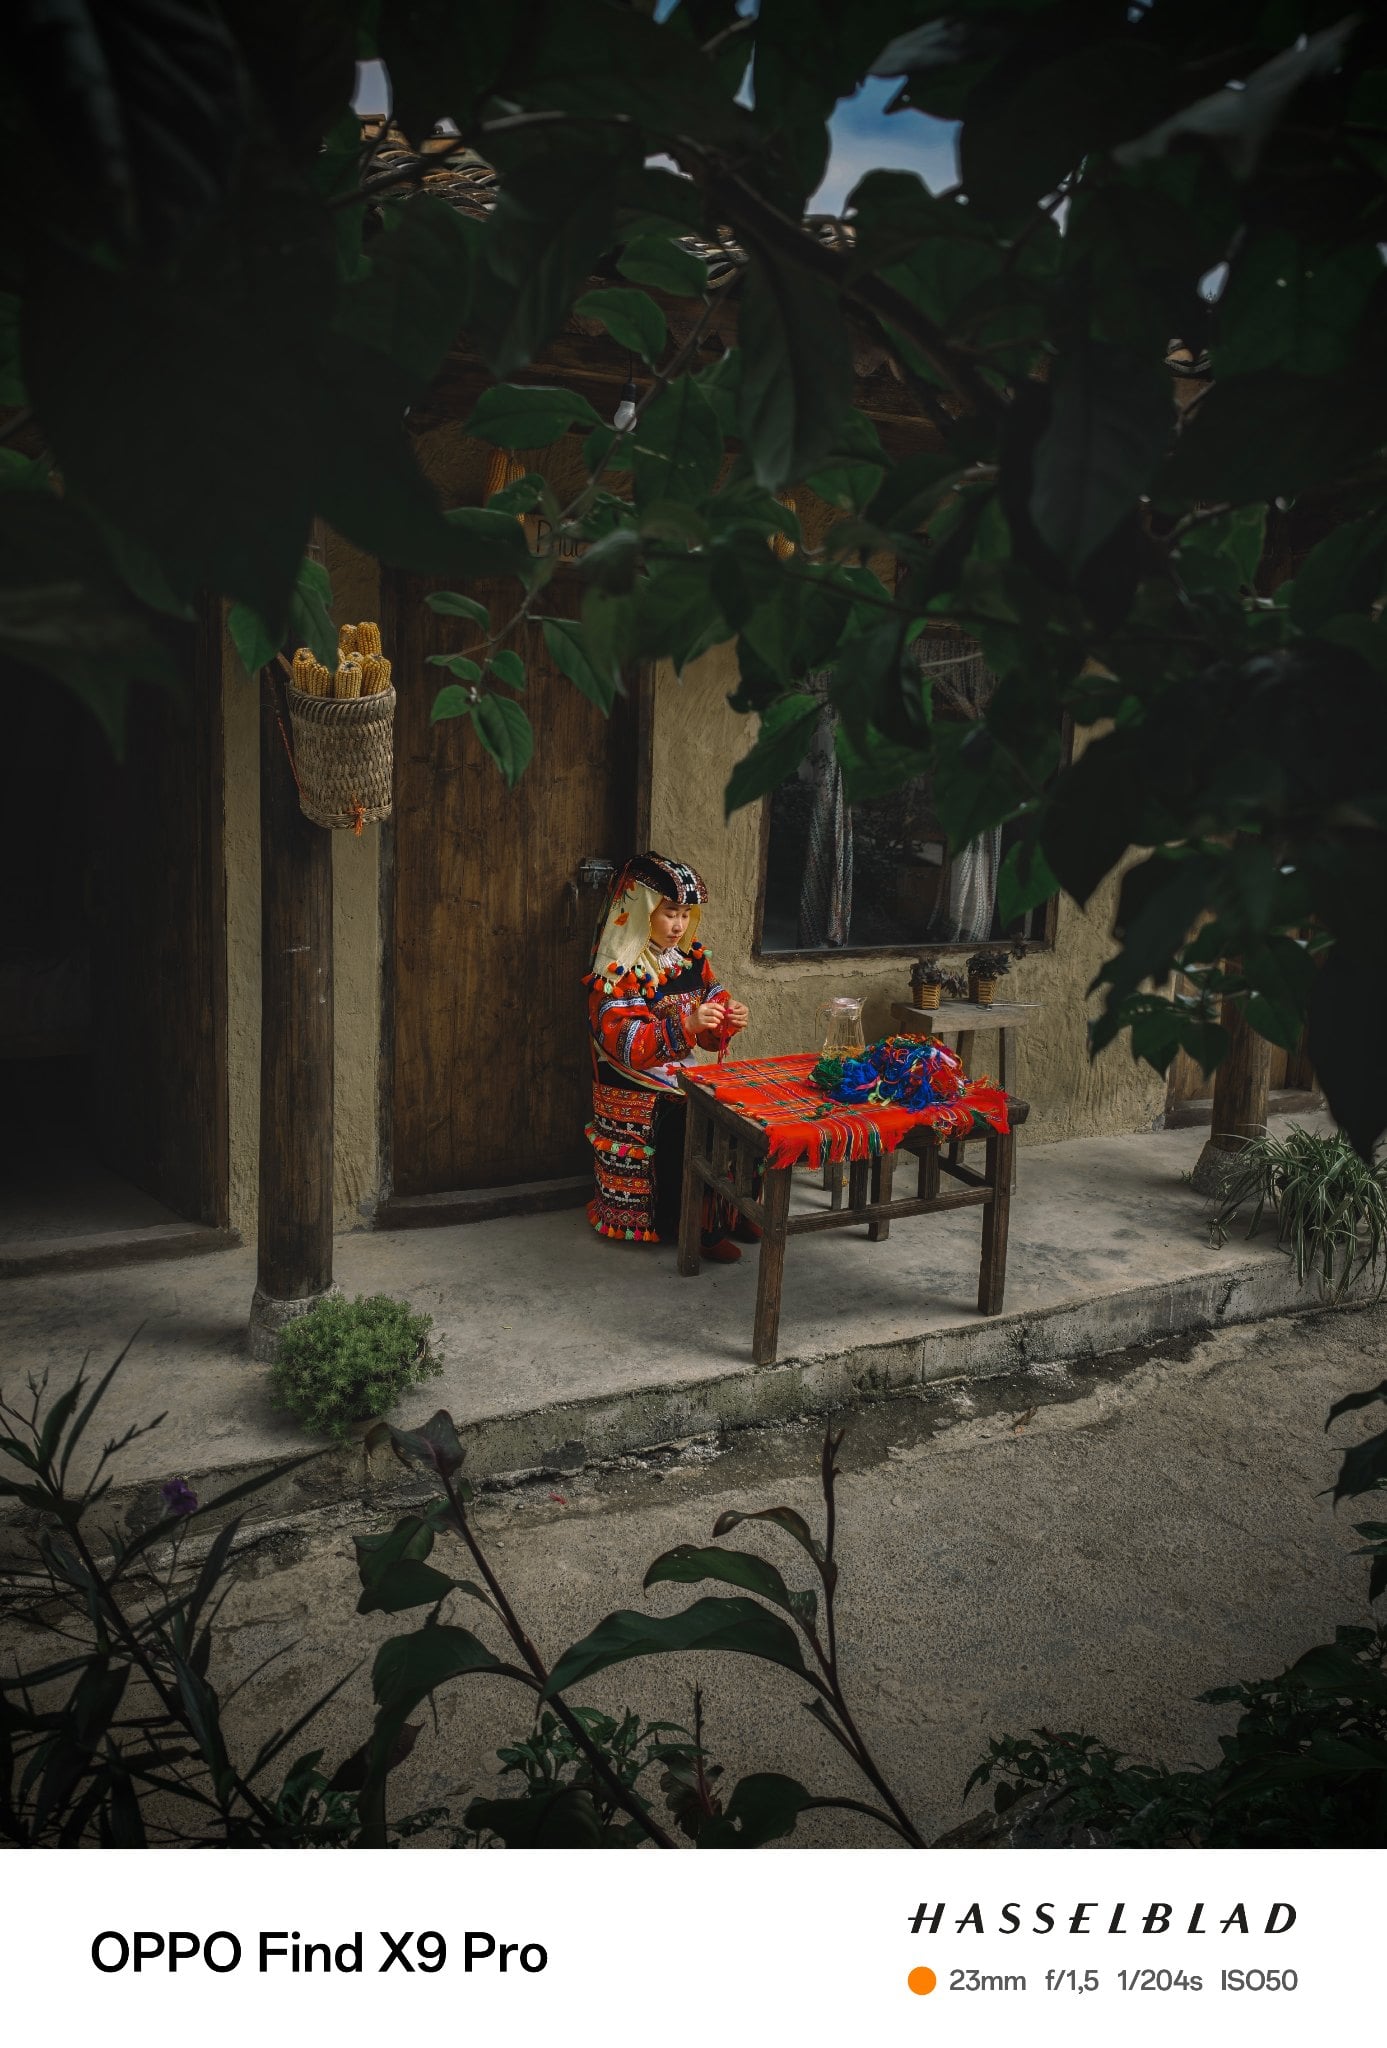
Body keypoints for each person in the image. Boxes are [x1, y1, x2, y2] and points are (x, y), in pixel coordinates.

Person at [584, 852, 751, 1258]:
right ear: (644, 911)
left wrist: (726, 1017)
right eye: (670, 913)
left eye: (685, 914)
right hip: (633, 1079)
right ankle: (698, 1227)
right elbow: (626, 1044)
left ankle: (736, 1208)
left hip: (678, 1072)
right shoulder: (617, 970)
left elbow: (712, 1010)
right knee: (693, 1118)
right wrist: (687, 1025)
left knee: (745, 1108)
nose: (679, 925)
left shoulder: (689, 960)